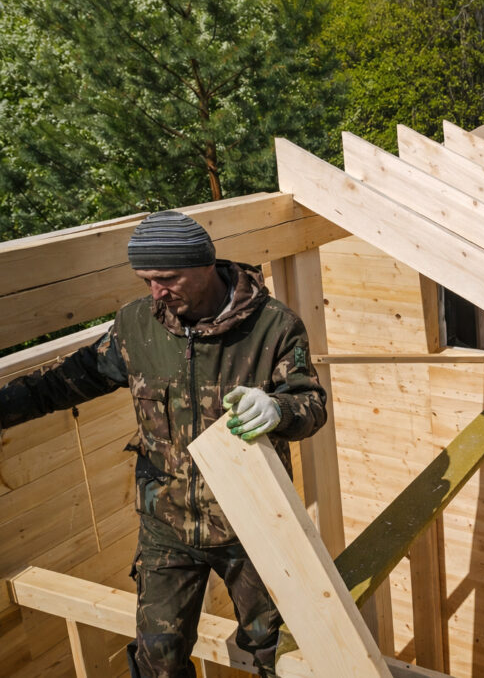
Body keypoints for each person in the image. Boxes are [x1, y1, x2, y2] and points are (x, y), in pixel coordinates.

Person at [0, 211, 328, 677]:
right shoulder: (137, 325)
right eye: (147, 280)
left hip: (253, 526)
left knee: (281, 654)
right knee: (158, 660)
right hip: (166, 525)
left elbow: (311, 403)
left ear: (206, 266)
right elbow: (64, 382)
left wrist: (280, 408)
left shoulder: (273, 326)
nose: (157, 292)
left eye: (167, 278)